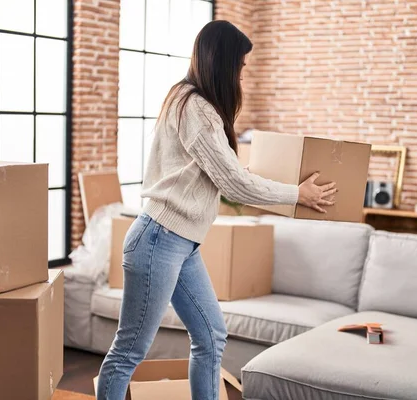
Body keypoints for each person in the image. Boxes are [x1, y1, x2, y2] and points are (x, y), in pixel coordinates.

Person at [96, 20, 337, 400]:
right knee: (129, 350)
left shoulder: (189, 101)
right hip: (158, 239)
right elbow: (234, 183)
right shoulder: (194, 107)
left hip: (182, 244)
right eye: (240, 65)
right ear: (223, 62)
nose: (242, 74)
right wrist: (297, 194)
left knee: (211, 336)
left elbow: (228, 174)